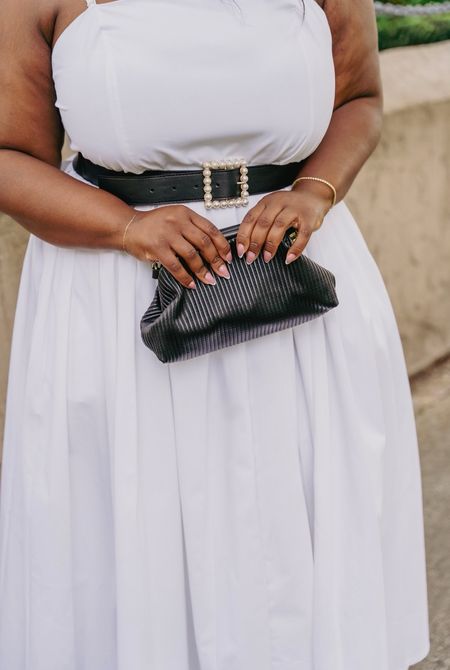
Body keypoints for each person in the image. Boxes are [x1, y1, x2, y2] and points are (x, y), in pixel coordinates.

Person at [0, 0, 430, 668]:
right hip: (125, 302)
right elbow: (9, 155)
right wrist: (126, 227)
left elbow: (362, 97)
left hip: (297, 289)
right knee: (141, 546)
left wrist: (315, 190)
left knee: (302, 542)